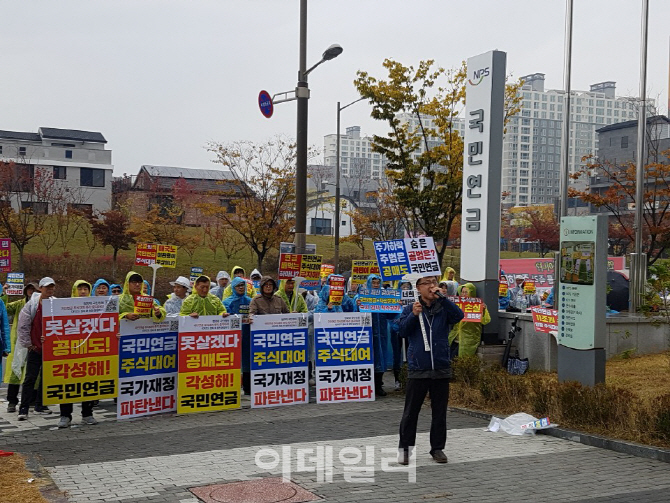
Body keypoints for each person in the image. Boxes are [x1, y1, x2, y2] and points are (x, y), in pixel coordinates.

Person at [397, 275, 464, 465]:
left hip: (441, 366)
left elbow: (459, 316)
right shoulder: (411, 308)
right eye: (427, 283)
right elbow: (401, 331)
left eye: (434, 282)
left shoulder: (443, 308)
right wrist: (413, 315)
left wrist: (443, 297)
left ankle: (437, 448)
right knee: (411, 412)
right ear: (418, 288)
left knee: (440, 412)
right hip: (418, 367)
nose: (432, 286)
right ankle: (405, 450)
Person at [57, 279, 98, 427]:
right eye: (79, 289)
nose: (82, 292)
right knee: (67, 384)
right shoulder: (64, 308)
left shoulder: (96, 308)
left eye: (85, 289)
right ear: (74, 290)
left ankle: (87, 414)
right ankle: (65, 415)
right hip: (69, 352)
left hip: (89, 352)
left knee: (87, 383)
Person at [17, 277, 57, 420]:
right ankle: (24, 408)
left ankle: (41, 405)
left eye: (52, 287)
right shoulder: (32, 305)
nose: (50, 290)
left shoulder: (56, 303)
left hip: (51, 349)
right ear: (40, 288)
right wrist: (28, 344)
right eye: (47, 287)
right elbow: (23, 325)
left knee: (46, 378)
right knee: (30, 378)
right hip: (35, 348)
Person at [354, 274, 395, 397]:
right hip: (366, 333)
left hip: (381, 333)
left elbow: (391, 316)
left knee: (381, 358)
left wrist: (396, 306)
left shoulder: (384, 297)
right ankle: (367, 385)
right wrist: (357, 305)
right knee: (368, 357)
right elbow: (353, 314)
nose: (376, 285)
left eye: (378, 283)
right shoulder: (360, 297)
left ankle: (378, 385)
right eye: (374, 283)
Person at [4, 283, 37, 413]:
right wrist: (4, 294)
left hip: (35, 344)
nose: (31, 291)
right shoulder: (19, 304)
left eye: (34, 289)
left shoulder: (43, 304)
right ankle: (12, 401)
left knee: (34, 372)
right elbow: (4, 308)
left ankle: (32, 400)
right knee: (15, 372)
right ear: (25, 291)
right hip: (19, 343)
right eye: (29, 289)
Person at [223, 277, 253, 394]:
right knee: (232, 361)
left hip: (247, 335)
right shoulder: (227, 302)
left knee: (246, 362)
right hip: (232, 338)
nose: (241, 287)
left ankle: (247, 388)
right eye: (238, 286)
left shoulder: (250, 301)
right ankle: (233, 387)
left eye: (243, 285)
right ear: (233, 288)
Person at [448, 283, 491, 358]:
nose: (463, 294)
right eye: (462, 292)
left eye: (466, 292)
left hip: (468, 341)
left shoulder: (478, 305)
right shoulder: (458, 305)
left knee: (461, 362)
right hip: (454, 338)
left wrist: (483, 310)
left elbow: (486, 321)